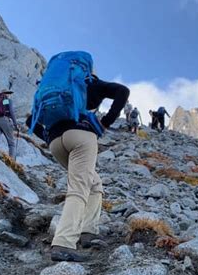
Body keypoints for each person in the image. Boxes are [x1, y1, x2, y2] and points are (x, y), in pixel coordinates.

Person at [28, 71, 129, 262]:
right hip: (82, 137)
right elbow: (122, 91)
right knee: (79, 187)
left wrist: (50, 138)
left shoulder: (54, 91)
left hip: (56, 143)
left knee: (94, 183)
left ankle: (88, 232)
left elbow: (29, 120)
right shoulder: (90, 83)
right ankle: (63, 243)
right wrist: (105, 122)